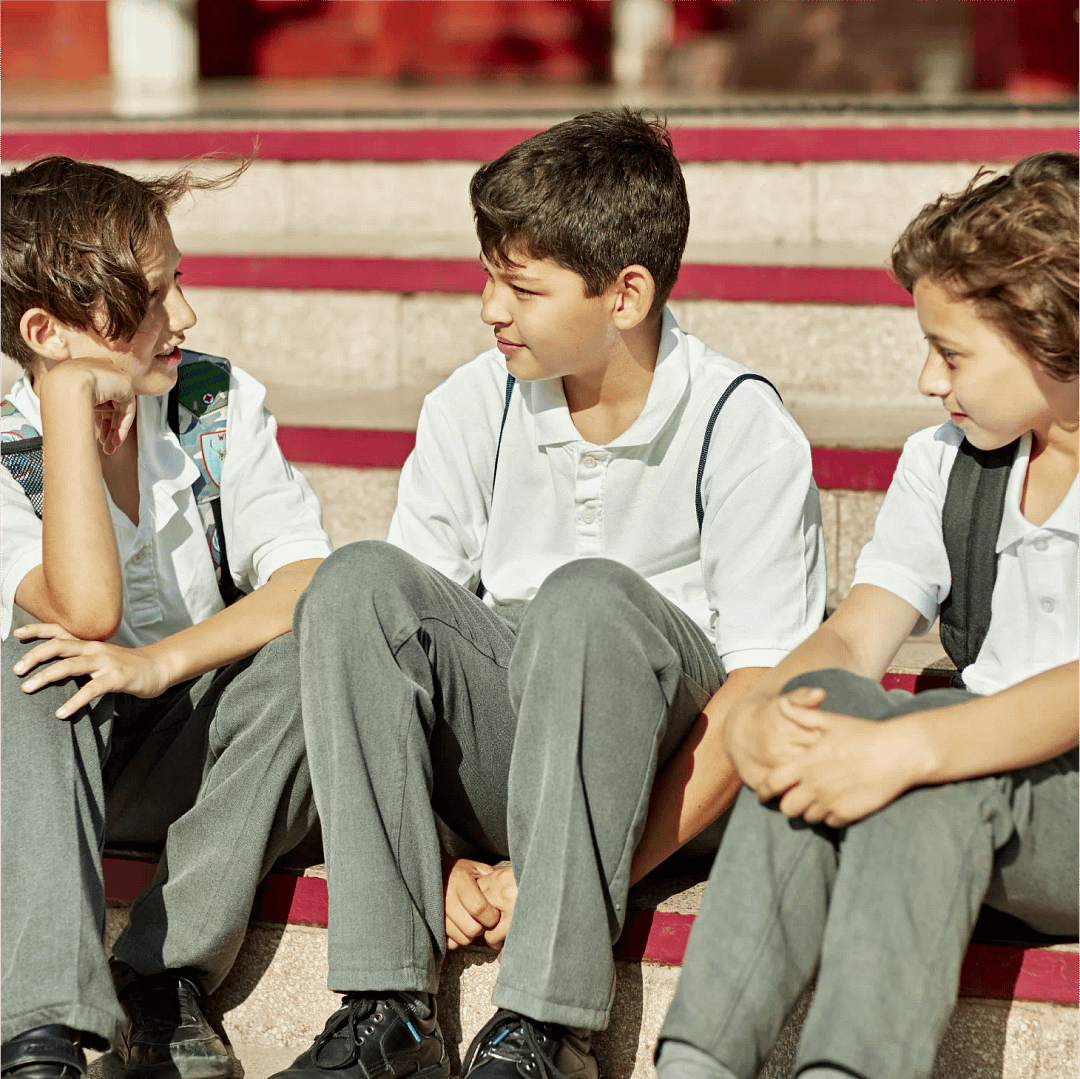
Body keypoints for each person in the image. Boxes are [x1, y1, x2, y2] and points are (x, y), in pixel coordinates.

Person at [276, 108, 826, 1079]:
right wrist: (431, 860)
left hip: (660, 761)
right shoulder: (467, 404)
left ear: (626, 292)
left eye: (521, 286)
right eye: (490, 274)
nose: (491, 306)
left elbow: (758, 700)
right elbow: (396, 662)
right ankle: (387, 1011)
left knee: (584, 598)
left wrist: (574, 874)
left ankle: (545, 1024)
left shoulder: (740, 425)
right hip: (510, 745)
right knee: (357, 580)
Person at [656, 150, 1079, 1079]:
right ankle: (697, 1063)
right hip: (962, 776)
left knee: (924, 759)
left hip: (1051, 800)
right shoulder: (949, 460)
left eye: (952, 351)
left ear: (1050, 334)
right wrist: (777, 701)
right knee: (823, 718)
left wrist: (915, 744)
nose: (930, 379)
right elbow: (857, 630)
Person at [0, 158, 332, 1079]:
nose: (183, 316)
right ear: (46, 331)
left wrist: (163, 663)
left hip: (222, 755)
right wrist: (67, 401)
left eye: (178, 280)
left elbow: (310, 580)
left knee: (321, 650)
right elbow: (85, 611)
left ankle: (156, 969)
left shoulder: (214, 400)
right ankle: (41, 1034)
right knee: (28, 666)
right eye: (152, 295)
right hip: (58, 771)